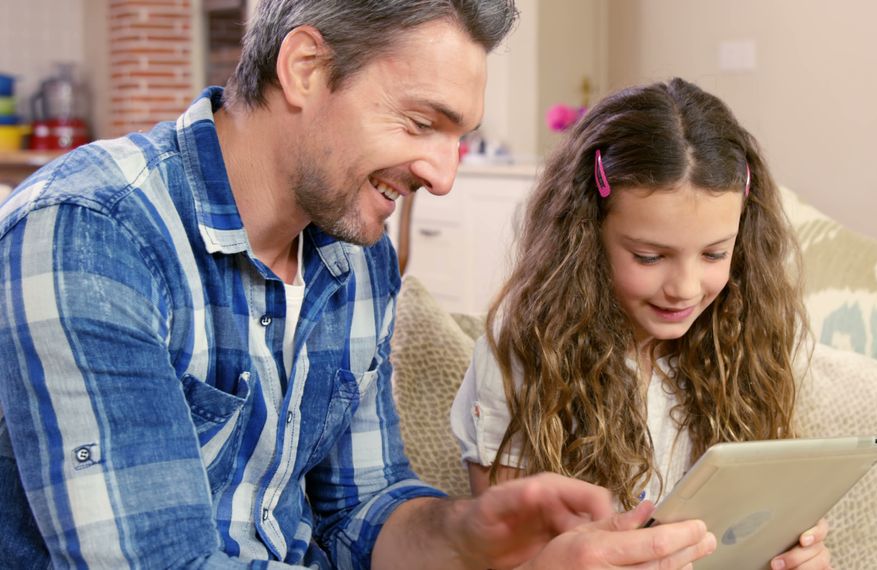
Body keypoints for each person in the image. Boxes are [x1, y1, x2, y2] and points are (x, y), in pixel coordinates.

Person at [0, 1, 718, 567]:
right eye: (420, 122)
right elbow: (156, 561)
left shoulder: (352, 250)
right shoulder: (91, 233)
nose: (442, 175)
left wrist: (472, 534)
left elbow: (361, 510)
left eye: (458, 137)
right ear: (306, 67)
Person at [450, 78, 832, 570]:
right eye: (650, 256)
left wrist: (792, 553)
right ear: (586, 237)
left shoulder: (746, 342)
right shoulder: (522, 354)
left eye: (715, 253)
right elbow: (502, 560)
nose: (686, 288)